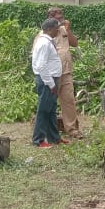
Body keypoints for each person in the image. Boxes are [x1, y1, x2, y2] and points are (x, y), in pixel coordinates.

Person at [47, 6, 83, 139]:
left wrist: (68, 30)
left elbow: (75, 43)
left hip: (66, 71)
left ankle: (72, 129)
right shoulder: (45, 33)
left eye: (62, 16)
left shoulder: (63, 30)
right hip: (52, 73)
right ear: (50, 16)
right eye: (58, 16)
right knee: (49, 101)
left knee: (69, 100)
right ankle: (47, 130)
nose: (61, 18)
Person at [31, 18, 67, 147]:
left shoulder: (47, 42)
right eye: (56, 28)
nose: (58, 31)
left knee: (51, 110)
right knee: (44, 110)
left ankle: (54, 137)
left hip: (51, 79)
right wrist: (51, 84)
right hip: (47, 80)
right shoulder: (44, 44)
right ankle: (38, 140)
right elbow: (41, 66)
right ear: (49, 29)